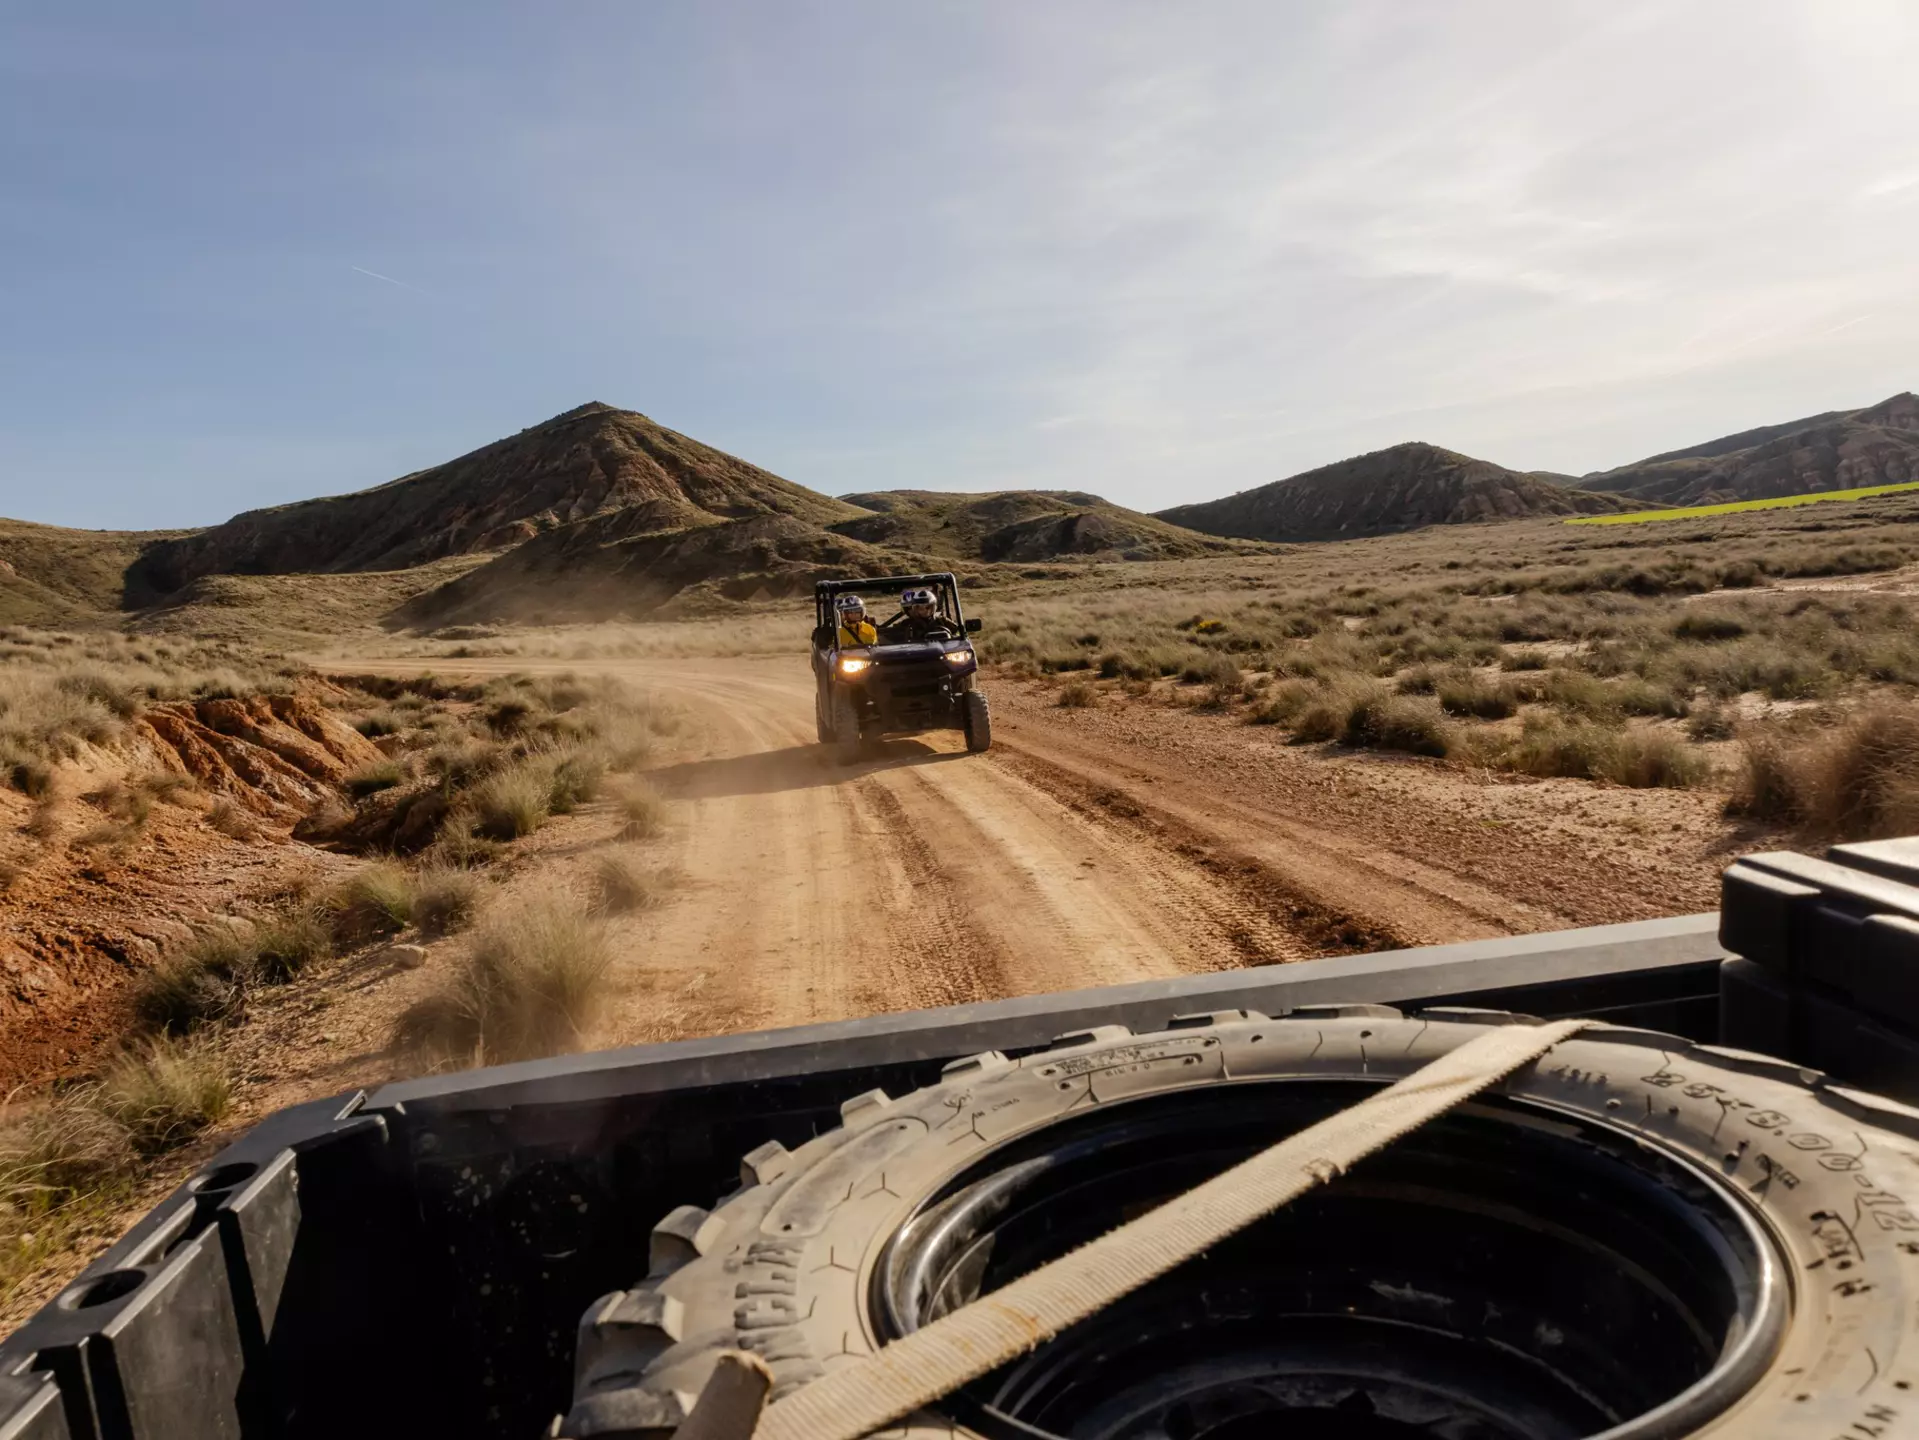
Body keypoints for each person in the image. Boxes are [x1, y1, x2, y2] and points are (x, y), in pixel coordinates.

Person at [888, 586, 954, 642]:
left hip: (943, 649)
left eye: (928, 607)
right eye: (920, 608)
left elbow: (957, 633)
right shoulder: (906, 624)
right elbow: (890, 635)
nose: (925, 611)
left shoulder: (942, 621)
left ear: (934, 607)